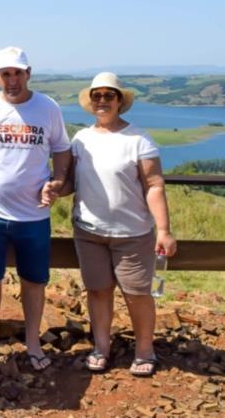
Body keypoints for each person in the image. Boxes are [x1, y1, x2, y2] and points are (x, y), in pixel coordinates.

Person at [0, 46, 71, 370]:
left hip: (34, 214)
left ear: (28, 73)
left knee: (34, 280)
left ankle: (33, 342)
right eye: (5, 74)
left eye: (17, 73)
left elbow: (62, 150)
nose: (12, 80)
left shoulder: (48, 108)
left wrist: (59, 181)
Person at [64, 72, 177, 376]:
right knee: (98, 290)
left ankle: (145, 351)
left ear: (119, 101)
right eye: (96, 95)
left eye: (108, 95)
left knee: (137, 293)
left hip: (132, 233)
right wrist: (45, 187)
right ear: (91, 101)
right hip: (89, 231)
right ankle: (101, 348)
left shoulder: (139, 139)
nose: (102, 100)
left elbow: (154, 184)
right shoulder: (81, 139)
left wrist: (163, 230)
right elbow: (70, 181)